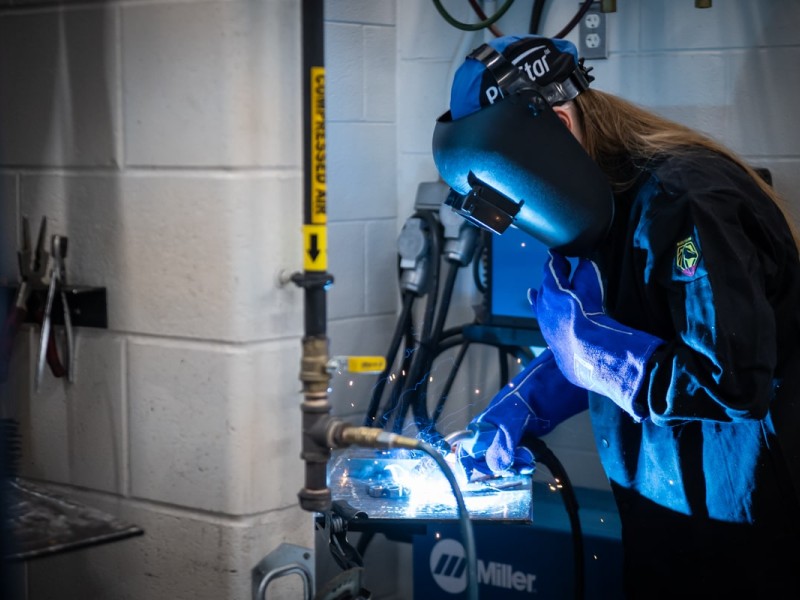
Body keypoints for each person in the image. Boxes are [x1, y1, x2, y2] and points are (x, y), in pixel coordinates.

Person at [433, 34, 800, 598]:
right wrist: (528, 401)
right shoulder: (591, 209)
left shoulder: (689, 199)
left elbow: (733, 380)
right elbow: (610, 336)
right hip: (662, 515)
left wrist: (599, 360)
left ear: (558, 123)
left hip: (750, 524)